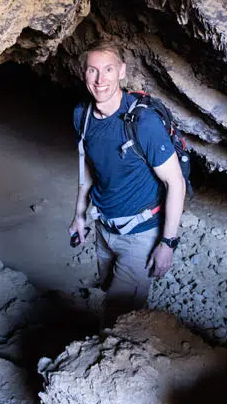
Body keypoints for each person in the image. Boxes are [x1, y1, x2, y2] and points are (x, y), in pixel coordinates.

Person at [69, 40, 186, 323]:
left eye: (108, 69)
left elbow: (176, 183)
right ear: (83, 73)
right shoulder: (82, 116)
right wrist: (79, 217)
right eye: (92, 70)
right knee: (109, 290)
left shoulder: (143, 123)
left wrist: (167, 243)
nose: (100, 79)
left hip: (140, 235)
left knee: (118, 320)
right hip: (104, 229)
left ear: (121, 71)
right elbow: (88, 172)